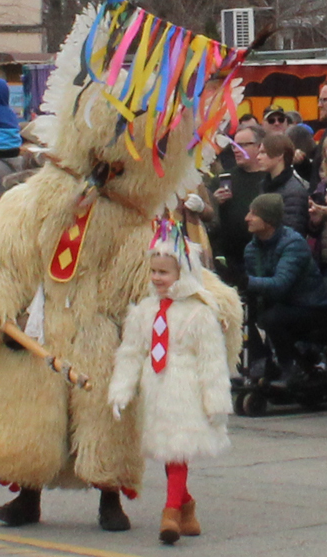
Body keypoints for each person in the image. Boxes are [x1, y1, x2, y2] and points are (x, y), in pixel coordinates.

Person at [108, 223, 233, 545]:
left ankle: (171, 514)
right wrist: (122, 389)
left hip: (185, 389)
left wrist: (215, 401)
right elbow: (132, 352)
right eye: (153, 271)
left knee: (178, 451)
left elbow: (211, 361)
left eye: (164, 272)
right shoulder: (144, 311)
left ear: (183, 273)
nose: (157, 278)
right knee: (167, 450)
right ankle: (187, 507)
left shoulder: (199, 313)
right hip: (155, 389)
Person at [242, 194, 327, 387]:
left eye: (254, 214)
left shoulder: (293, 244)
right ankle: (263, 363)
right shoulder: (252, 248)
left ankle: (292, 368)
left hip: (312, 308)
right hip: (283, 305)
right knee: (239, 314)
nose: (247, 218)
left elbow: (280, 284)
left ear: (269, 220)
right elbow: (255, 285)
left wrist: (246, 281)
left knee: (273, 318)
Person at [211, 125, 266, 284]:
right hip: (231, 262)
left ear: (259, 147)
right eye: (234, 145)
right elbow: (211, 222)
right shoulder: (223, 179)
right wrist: (215, 203)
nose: (236, 150)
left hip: (262, 258)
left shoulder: (269, 178)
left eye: (242, 145)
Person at [258, 134, 309, 236]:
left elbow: (292, 231)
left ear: (279, 155)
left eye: (263, 152)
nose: (258, 157)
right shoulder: (264, 185)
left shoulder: (294, 190)